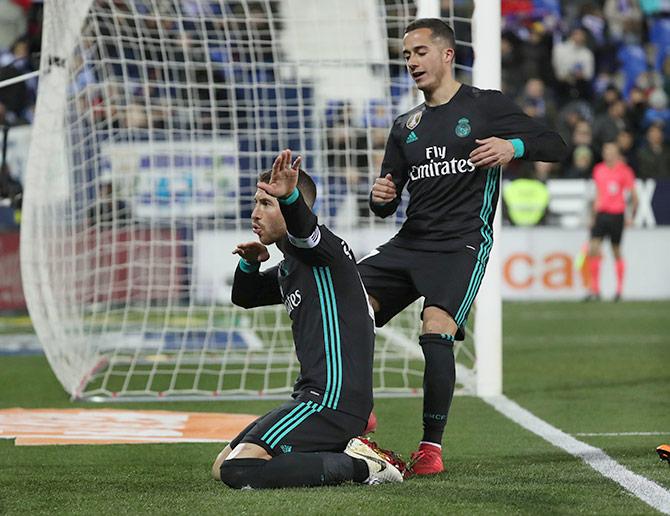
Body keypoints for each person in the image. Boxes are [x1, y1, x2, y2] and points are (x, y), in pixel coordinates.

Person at [358, 18, 567, 475]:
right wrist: (379, 198)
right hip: (410, 241)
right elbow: (385, 199)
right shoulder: (404, 126)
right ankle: (358, 412)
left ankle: (430, 448)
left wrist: (514, 146)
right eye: (406, 55)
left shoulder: (485, 106)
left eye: (419, 52)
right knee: (345, 302)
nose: (411, 61)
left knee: (435, 328)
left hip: (460, 245)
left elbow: (556, 145)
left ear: (447, 54)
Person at [211, 149, 404, 489]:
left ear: (293, 207)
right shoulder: (291, 266)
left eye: (266, 204)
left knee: (238, 470)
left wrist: (290, 198)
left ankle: (363, 466)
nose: (255, 213)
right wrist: (249, 263)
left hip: (332, 400)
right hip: (313, 398)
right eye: (256, 202)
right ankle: (344, 450)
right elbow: (245, 297)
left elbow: (306, 231)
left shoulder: (323, 250)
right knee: (222, 466)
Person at [586, 142, 639, 302]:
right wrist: (593, 216)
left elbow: (634, 197)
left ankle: (619, 290)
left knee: (616, 250)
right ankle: (595, 290)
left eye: (611, 151)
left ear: (617, 154)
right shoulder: (598, 169)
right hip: (601, 214)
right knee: (593, 248)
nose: (607, 154)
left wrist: (631, 217)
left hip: (617, 215)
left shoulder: (625, 171)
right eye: (605, 151)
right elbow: (597, 194)